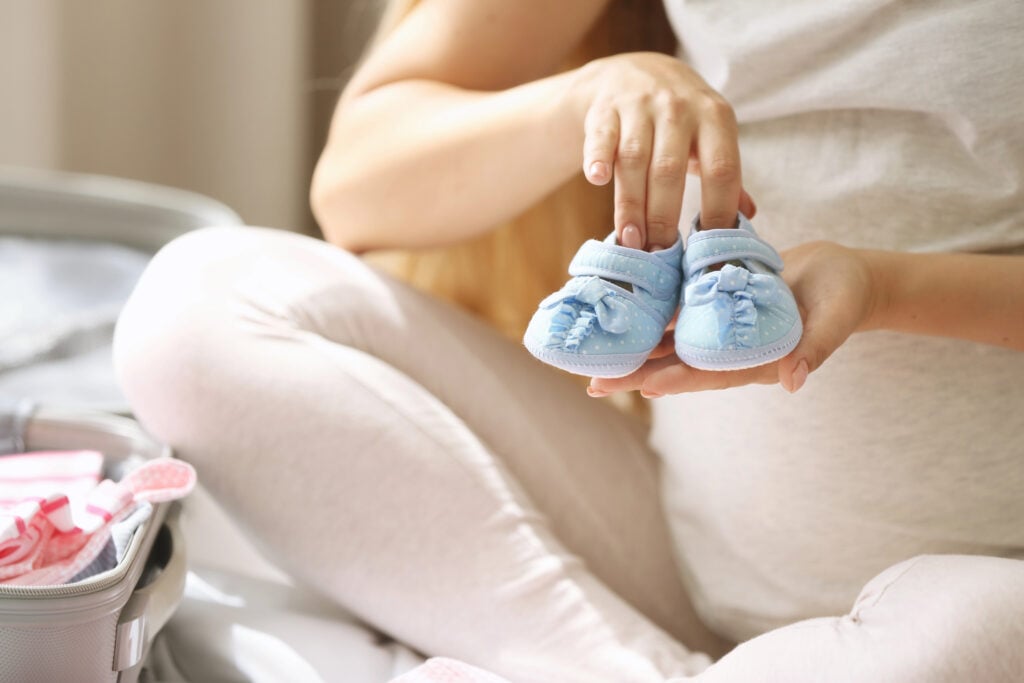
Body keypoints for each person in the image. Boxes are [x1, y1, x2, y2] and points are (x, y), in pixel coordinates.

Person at [112, 0, 1024, 681]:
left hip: (985, 581)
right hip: (672, 553)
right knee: (195, 307)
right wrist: (589, 97)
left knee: (970, 632)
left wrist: (887, 287)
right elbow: (359, 184)